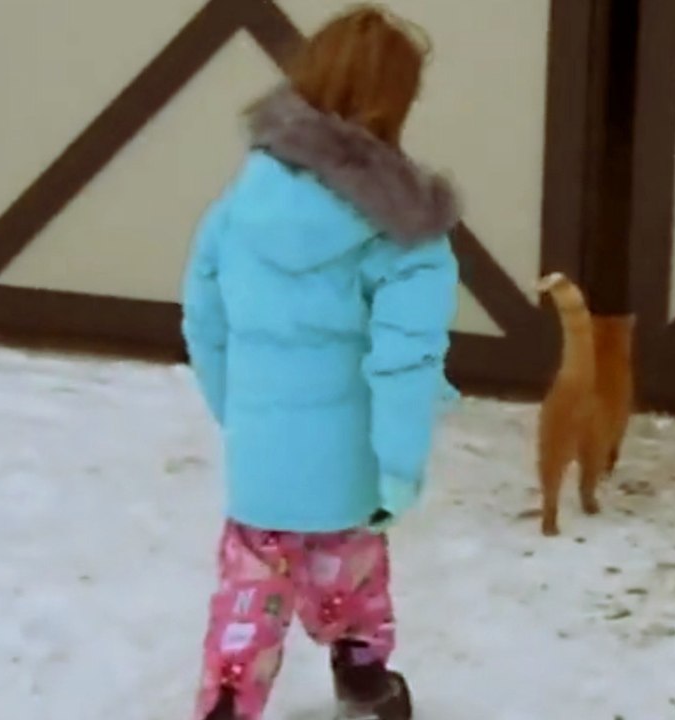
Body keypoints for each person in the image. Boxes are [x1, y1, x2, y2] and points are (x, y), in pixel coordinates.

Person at [180, 6, 460, 719]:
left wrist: (239, 412)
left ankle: (229, 699)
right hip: (349, 464)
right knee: (351, 576)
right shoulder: (405, 235)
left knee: (250, 589)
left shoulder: (239, 205)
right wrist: (398, 467)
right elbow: (404, 360)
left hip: (263, 460)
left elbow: (205, 320)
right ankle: (364, 679)